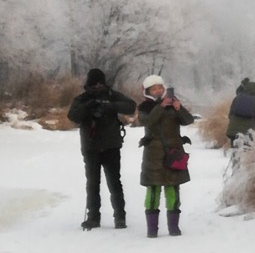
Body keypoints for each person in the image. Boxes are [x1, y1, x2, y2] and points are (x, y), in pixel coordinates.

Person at [66, 68, 137, 231]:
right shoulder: (82, 99)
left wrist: (109, 106)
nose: (98, 86)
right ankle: (93, 218)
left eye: (100, 83)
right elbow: (73, 116)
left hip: (111, 146)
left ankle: (120, 217)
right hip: (91, 147)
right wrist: (89, 106)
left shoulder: (112, 96)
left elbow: (131, 106)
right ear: (89, 84)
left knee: (114, 182)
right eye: (94, 83)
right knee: (92, 183)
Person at [136, 75, 195, 237]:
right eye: (154, 88)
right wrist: (160, 107)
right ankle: (152, 229)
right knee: (153, 191)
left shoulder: (172, 104)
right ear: (148, 91)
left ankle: (174, 228)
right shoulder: (145, 107)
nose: (158, 91)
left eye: (160, 87)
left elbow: (188, 120)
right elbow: (147, 122)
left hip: (173, 153)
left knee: (173, 189)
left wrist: (179, 108)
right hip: (153, 156)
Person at [225, 77, 255, 147]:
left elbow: (230, 115)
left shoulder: (237, 98)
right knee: (246, 152)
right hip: (247, 132)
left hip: (232, 131)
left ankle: (234, 157)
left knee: (235, 150)